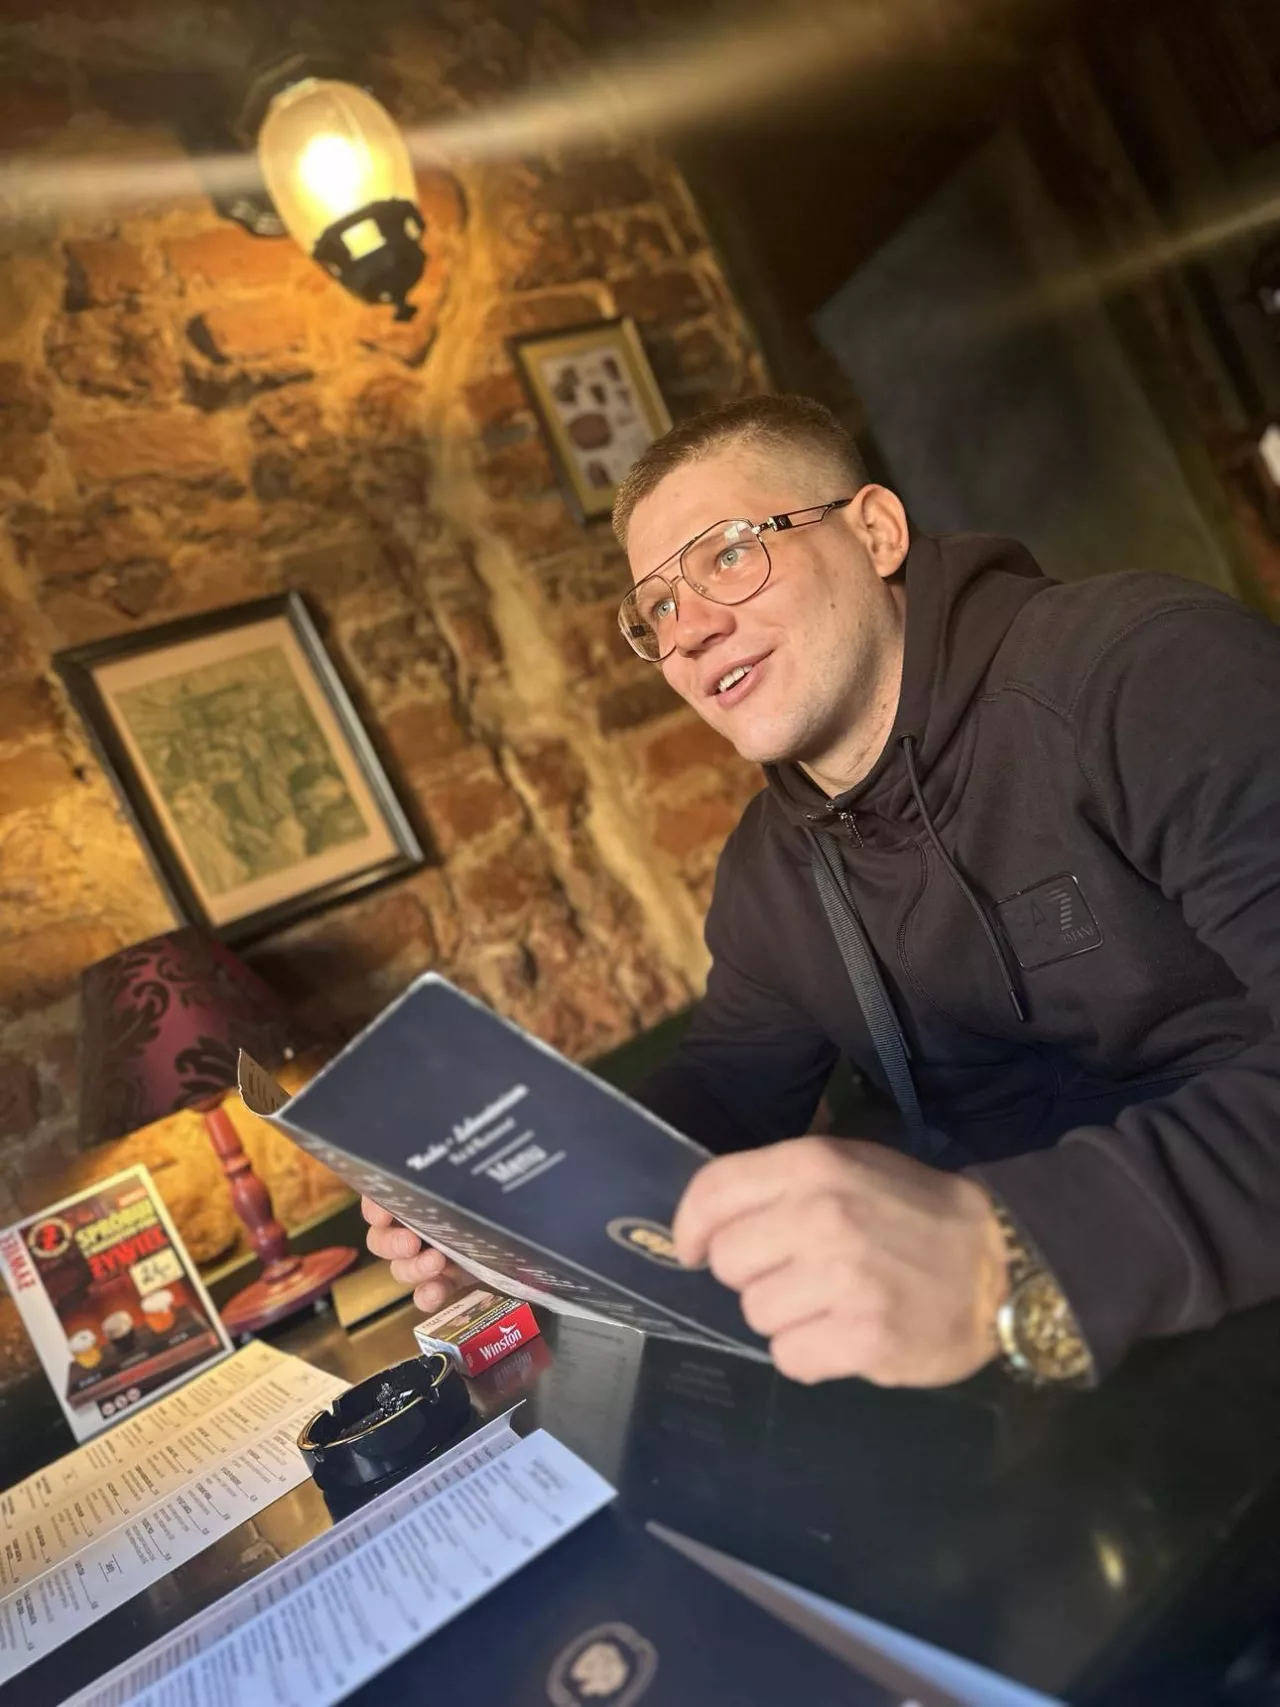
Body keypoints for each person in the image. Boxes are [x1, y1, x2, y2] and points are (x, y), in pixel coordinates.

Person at [364, 394, 1280, 1389]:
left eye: (728, 554)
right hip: (1029, 1383)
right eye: (655, 608)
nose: (688, 630)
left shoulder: (1146, 670)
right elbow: (722, 1098)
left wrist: (1003, 1250)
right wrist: (523, 1224)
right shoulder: (770, 870)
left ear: (875, 532)